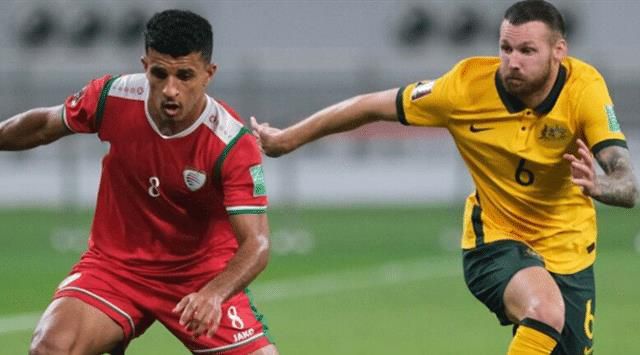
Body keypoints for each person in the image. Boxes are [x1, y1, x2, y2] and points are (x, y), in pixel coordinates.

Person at [251, 1, 639, 354]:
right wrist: (288, 138)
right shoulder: (465, 87)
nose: (513, 61)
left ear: (559, 52)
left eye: (527, 51)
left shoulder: (584, 89)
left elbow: (627, 181)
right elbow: (371, 106)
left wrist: (600, 185)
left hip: (569, 247)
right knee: (544, 310)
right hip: (496, 239)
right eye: (506, 48)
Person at [0, 9, 278, 355]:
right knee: (51, 347)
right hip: (116, 268)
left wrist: (214, 294)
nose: (170, 90)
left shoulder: (231, 143)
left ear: (209, 74)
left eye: (185, 76)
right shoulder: (113, 96)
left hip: (199, 276)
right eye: (159, 74)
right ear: (145, 64)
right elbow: (43, 124)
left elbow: (258, 244)